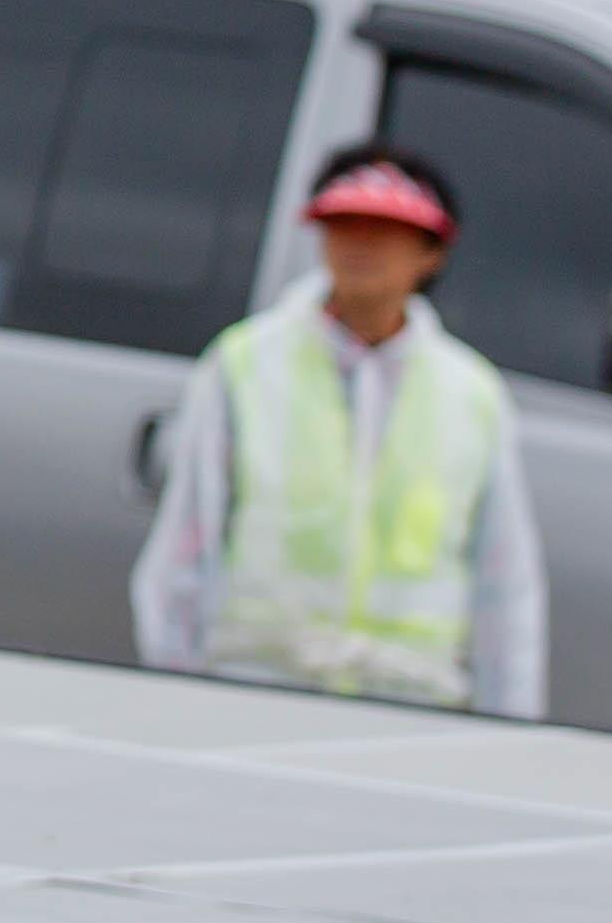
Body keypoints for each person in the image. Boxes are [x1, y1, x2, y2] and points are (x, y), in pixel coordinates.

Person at [130, 141, 544, 716]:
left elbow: (505, 586)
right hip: (256, 694)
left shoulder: (471, 394)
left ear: (431, 253)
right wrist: (173, 699)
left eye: (386, 228)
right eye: (344, 224)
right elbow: (185, 548)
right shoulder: (247, 362)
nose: (362, 244)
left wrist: (509, 727)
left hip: (409, 709)